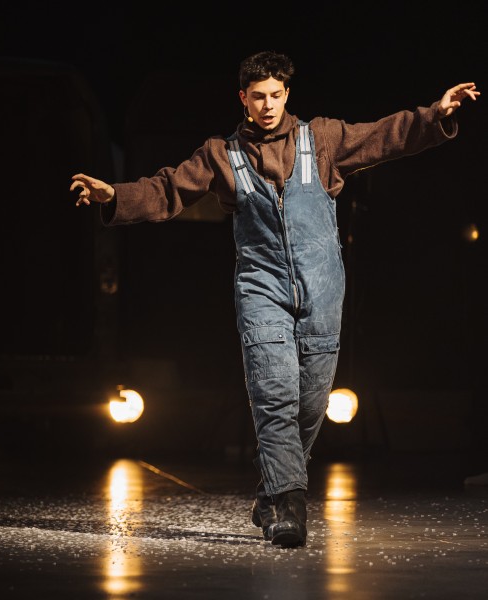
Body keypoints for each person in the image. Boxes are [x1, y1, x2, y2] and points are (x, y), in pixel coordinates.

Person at [70, 51, 478, 548]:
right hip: (261, 288)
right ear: (243, 97)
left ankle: (269, 492)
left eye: (276, 96)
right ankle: (288, 507)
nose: (268, 105)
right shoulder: (221, 154)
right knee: (274, 392)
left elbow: (382, 136)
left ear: (287, 95)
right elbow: (168, 189)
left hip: (322, 289)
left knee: (311, 403)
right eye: (258, 96)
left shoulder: (321, 139)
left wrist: (435, 115)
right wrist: (114, 195)